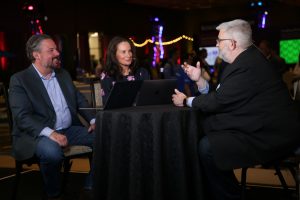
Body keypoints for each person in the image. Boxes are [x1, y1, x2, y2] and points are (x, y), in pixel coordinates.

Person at [172, 19, 300, 200]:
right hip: (256, 124)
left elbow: (219, 101)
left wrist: (186, 101)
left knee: (207, 147)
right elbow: (223, 96)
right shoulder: (244, 59)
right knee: (205, 136)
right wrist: (199, 80)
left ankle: (229, 196)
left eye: (218, 40)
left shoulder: (248, 65)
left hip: (270, 134)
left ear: (232, 44)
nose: (216, 44)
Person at [9, 34, 95, 200]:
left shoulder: (63, 74)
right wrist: (51, 133)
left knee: (107, 137)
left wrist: (92, 119)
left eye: (56, 49)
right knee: (51, 152)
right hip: (37, 135)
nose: (57, 53)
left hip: (69, 130)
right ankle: (54, 194)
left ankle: (90, 186)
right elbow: (22, 116)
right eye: (51, 50)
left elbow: (79, 100)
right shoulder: (20, 80)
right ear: (37, 55)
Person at [100, 36, 150, 104]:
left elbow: (149, 97)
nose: (128, 55)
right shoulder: (107, 76)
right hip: (119, 114)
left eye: (129, 51)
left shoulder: (142, 72)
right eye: (123, 52)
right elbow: (108, 104)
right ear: (114, 55)